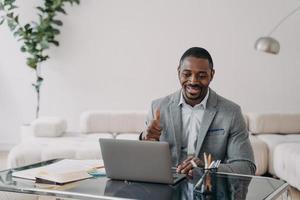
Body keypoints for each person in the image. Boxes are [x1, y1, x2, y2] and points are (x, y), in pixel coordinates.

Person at [140, 47, 256, 175]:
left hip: (210, 188)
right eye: (187, 74)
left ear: (212, 75)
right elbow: (144, 161)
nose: (193, 81)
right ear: (178, 72)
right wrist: (145, 139)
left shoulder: (231, 113)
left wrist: (208, 167)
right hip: (167, 186)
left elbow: (246, 166)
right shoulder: (157, 107)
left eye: (201, 76)